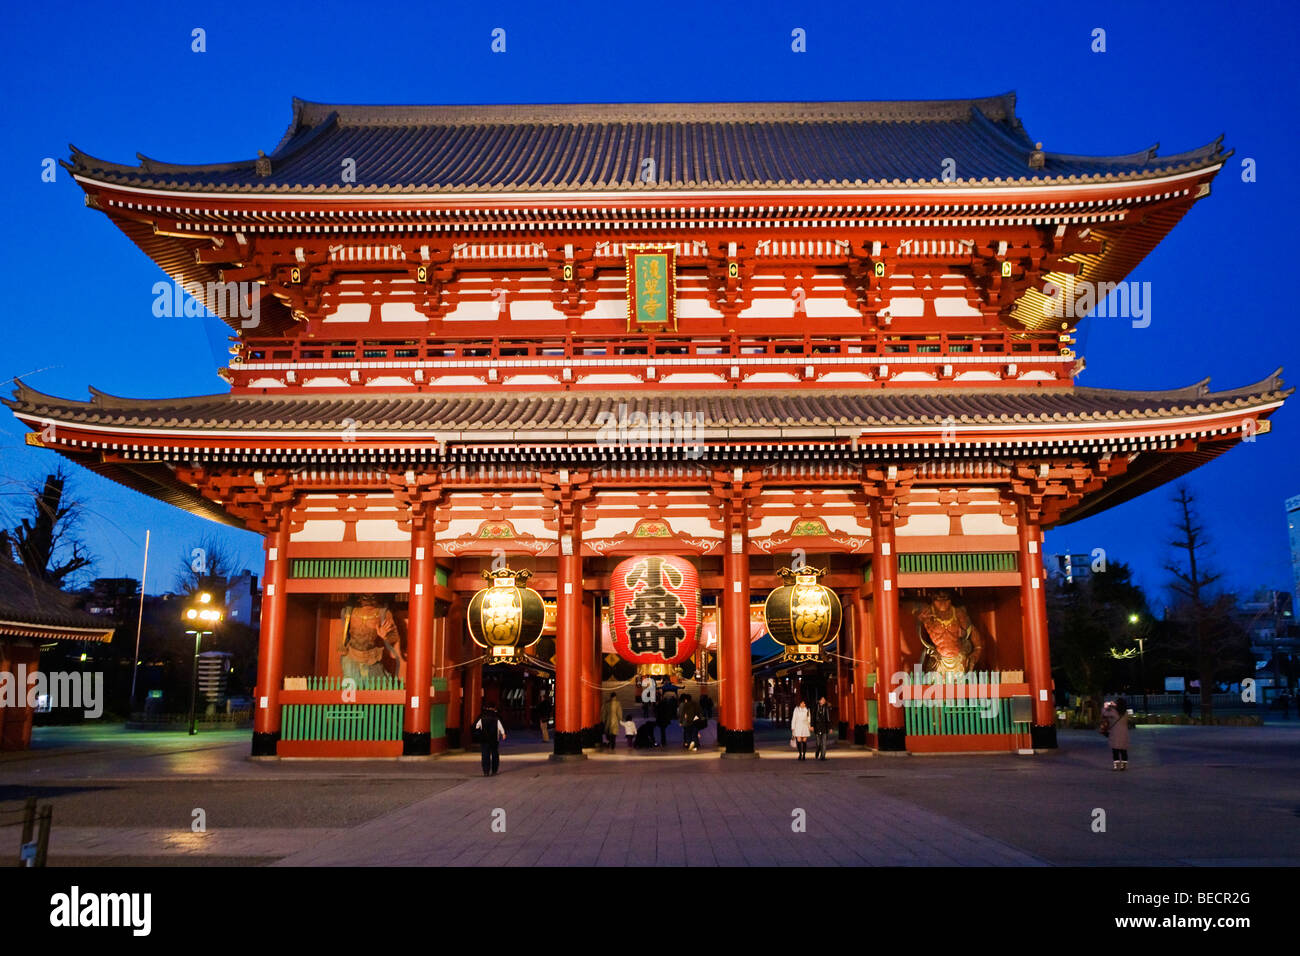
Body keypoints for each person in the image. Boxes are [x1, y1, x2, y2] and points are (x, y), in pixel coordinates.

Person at [474, 702, 507, 776]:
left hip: (484, 738)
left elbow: (476, 726)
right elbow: (500, 726)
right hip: (494, 739)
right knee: (495, 754)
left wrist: (479, 733)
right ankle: (494, 770)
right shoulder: (496, 716)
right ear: (493, 708)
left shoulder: (481, 716)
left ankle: (486, 771)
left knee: (485, 755)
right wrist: (503, 733)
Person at [1101, 698, 1130, 770]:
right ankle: (1124, 766)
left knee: (1115, 750)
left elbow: (1104, 714)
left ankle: (1116, 766)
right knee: (1123, 750)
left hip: (1115, 733)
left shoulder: (1114, 712)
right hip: (1124, 734)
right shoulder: (1125, 712)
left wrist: (1105, 706)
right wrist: (1115, 705)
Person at [812, 694, 833, 761]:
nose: (823, 701)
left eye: (824, 700)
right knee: (818, 743)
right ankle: (817, 751)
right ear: (819, 700)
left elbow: (829, 718)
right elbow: (813, 717)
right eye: (822, 699)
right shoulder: (815, 707)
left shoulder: (826, 707)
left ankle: (823, 756)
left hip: (824, 727)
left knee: (824, 742)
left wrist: (830, 728)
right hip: (817, 727)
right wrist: (812, 725)